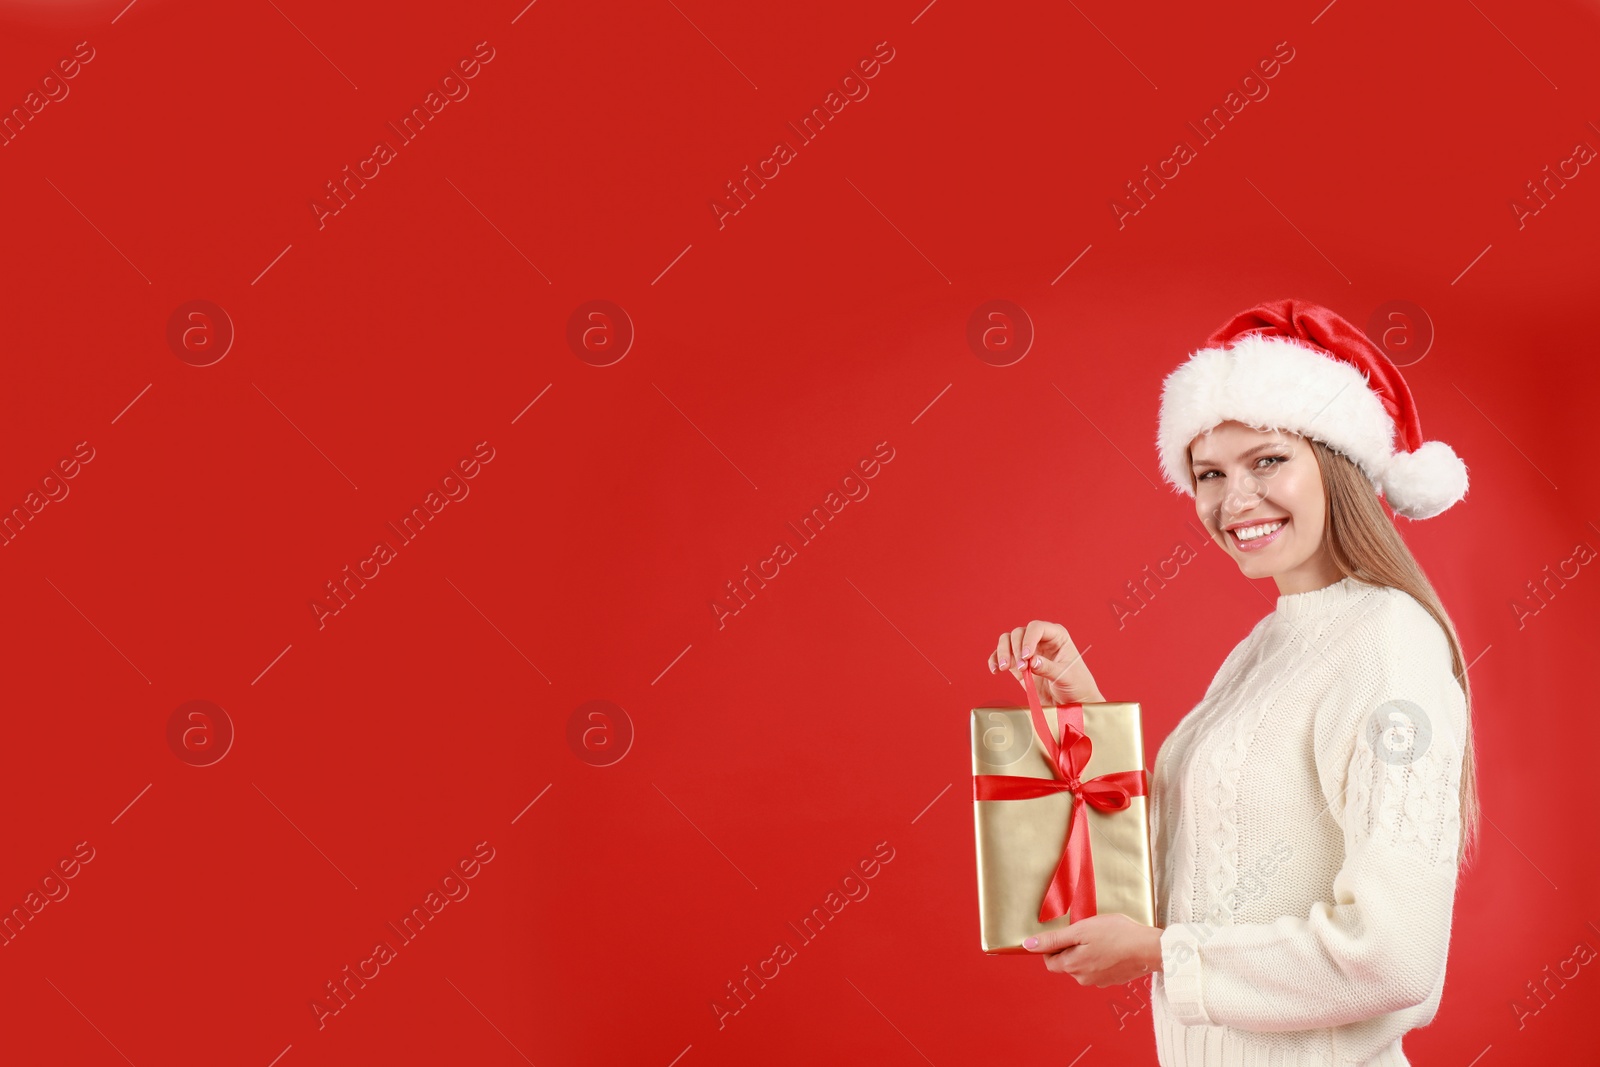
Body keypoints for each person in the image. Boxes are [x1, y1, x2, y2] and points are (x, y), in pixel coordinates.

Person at [986, 299, 1479, 1066]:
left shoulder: (1388, 643)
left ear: (1338, 461)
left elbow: (1395, 954)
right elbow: (1203, 873)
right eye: (1209, 473)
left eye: (1268, 460)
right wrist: (1084, 713)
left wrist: (1161, 955)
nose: (1233, 500)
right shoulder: (1270, 643)